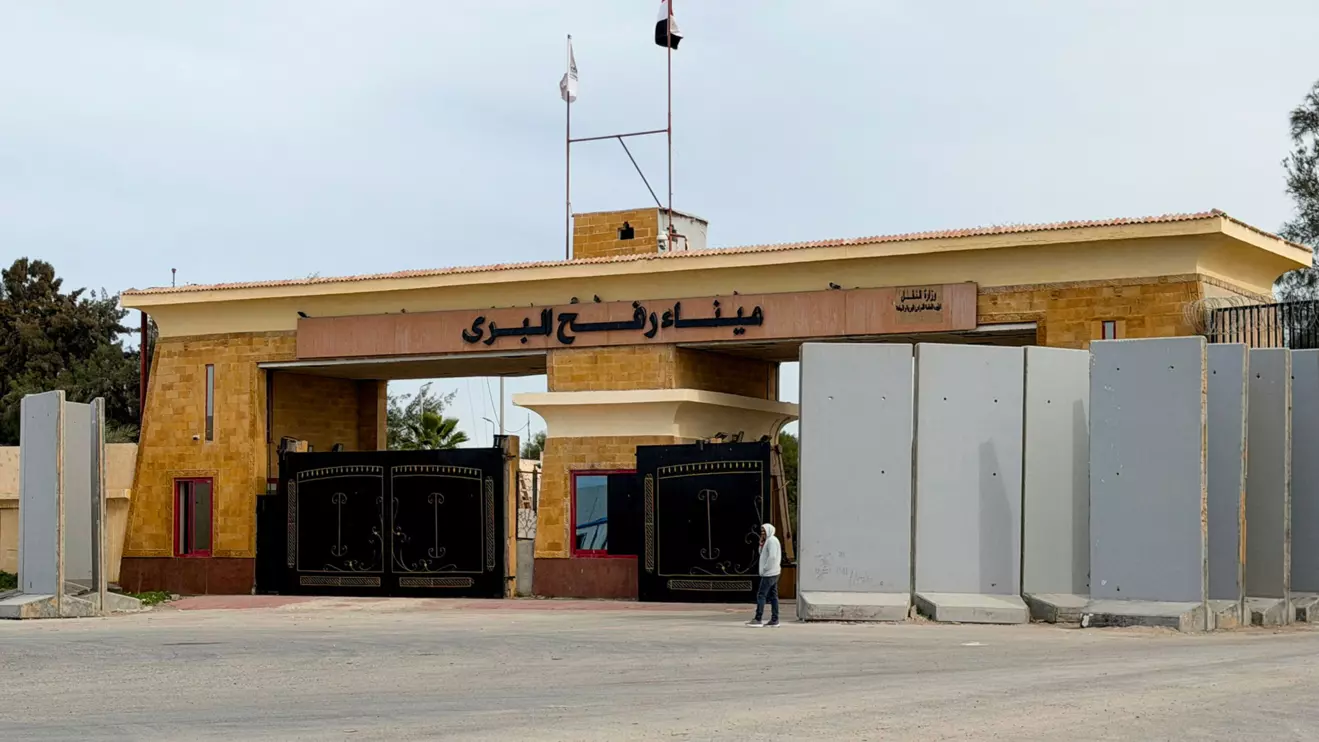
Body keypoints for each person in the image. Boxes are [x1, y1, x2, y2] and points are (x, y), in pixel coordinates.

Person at [747, 523, 781, 627]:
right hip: (773, 572)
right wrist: (761, 543)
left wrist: (765, 568)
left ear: (769, 530)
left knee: (761, 595)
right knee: (773, 596)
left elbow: (772, 557)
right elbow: (761, 553)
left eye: (764, 531)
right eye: (761, 531)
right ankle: (775, 619)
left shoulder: (771, 541)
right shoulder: (768, 541)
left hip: (769, 573)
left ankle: (758, 618)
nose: (762, 533)